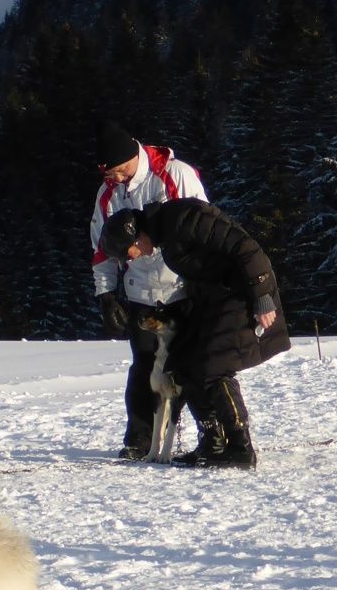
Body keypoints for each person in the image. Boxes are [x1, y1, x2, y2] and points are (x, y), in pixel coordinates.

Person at [98, 200, 290, 468]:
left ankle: (240, 447)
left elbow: (245, 247)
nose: (131, 258)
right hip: (215, 299)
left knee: (214, 365)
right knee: (184, 361)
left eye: (127, 253)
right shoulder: (165, 235)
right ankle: (213, 441)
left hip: (241, 295)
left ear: (135, 235)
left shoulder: (182, 220)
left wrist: (262, 296)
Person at [88, 119, 208, 460]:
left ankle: (210, 434)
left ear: (128, 159)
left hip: (181, 290)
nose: (110, 179)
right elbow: (101, 247)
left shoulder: (174, 175)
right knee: (144, 367)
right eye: (105, 174)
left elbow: (203, 226)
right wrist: (106, 294)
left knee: (193, 366)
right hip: (140, 292)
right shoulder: (108, 193)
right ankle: (138, 439)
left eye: (113, 171)